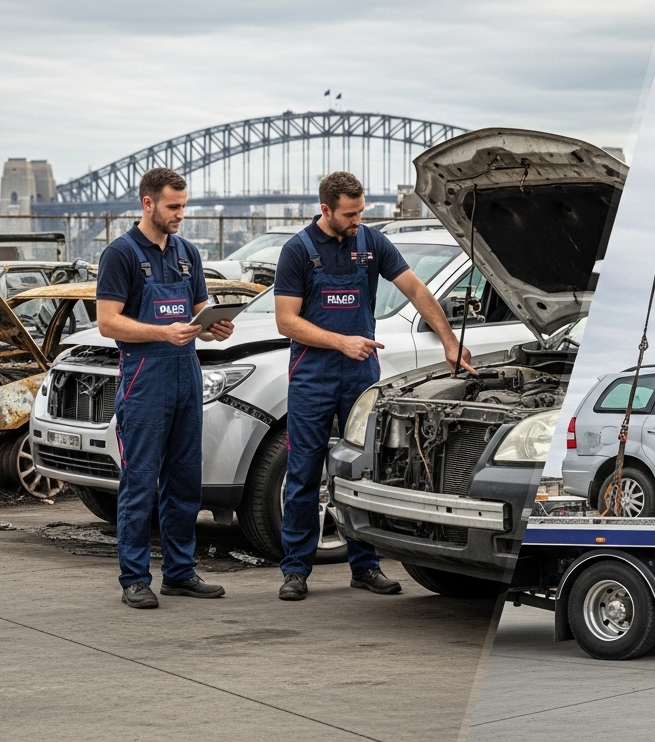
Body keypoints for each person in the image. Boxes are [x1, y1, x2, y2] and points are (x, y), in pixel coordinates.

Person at [272, 171, 475, 601]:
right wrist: (341, 342)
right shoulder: (297, 251)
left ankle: (365, 565)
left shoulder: (371, 243)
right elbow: (286, 321)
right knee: (304, 473)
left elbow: (417, 289)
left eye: (362, 211)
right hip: (312, 376)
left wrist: (449, 341)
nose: (357, 219)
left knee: (360, 469)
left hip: (360, 375)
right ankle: (295, 570)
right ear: (325, 210)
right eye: (349, 213)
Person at [98, 167, 233, 609]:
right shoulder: (119, 254)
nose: (180, 214)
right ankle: (134, 578)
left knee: (185, 480)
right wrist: (162, 332)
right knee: (140, 481)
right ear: (148, 203)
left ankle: (179, 572)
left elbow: (198, 310)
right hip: (144, 376)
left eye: (183, 206)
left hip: (186, 374)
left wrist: (213, 328)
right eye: (173, 207)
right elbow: (108, 322)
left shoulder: (186, 253)